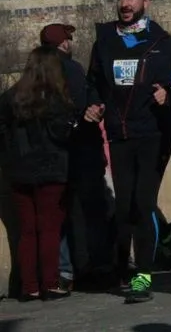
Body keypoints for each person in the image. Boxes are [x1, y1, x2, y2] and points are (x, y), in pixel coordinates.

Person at [83, 0, 171, 303]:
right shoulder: (105, 40)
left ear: (145, 2)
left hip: (153, 133)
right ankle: (123, 264)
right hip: (119, 133)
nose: (125, 4)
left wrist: (169, 94)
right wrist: (93, 105)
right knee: (124, 205)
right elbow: (93, 83)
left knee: (143, 202)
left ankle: (144, 275)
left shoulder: (164, 43)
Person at [0, 46, 76, 301]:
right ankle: (50, 283)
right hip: (51, 170)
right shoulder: (56, 100)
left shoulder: (10, 98)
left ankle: (29, 286)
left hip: (18, 170)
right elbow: (62, 135)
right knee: (49, 229)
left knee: (27, 230)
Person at [39, 24, 87, 292]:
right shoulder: (71, 69)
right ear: (63, 43)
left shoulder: (34, 72)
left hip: (40, 155)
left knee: (50, 218)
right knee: (75, 211)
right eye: (68, 39)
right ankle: (75, 268)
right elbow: (81, 103)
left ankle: (59, 271)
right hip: (71, 151)